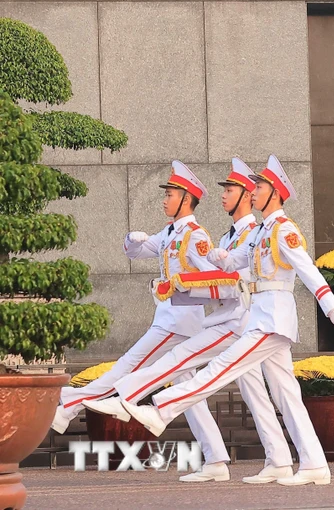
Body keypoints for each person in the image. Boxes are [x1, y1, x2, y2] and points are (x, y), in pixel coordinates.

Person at [122, 155, 334, 485]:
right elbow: (237, 262)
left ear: (276, 193)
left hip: (272, 319)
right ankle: (307, 462)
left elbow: (307, 269)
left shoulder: (284, 230)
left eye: (259, 187)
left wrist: (329, 305)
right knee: (286, 393)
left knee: (223, 367)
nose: (253, 191)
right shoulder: (262, 232)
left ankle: (163, 409)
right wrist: (222, 257)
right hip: (261, 314)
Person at [83, 158, 294, 482]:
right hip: (237, 318)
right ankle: (271, 460)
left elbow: (235, 281)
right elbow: (217, 284)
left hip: (246, 320)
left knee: (184, 362)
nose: (225, 195)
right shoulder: (227, 238)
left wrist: (181, 286)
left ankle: (126, 396)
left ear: (250, 192)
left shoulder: (254, 233)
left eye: (232, 189)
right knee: (258, 394)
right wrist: (179, 290)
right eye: (225, 189)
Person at [50, 162, 220, 455]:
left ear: (186, 198)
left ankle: (69, 406)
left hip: (178, 323)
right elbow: (137, 252)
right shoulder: (170, 232)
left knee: (128, 366)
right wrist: (132, 239)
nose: (165, 200)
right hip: (170, 319)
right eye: (166, 194)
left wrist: (179, 287)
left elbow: (215, 278)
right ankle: (216, 456)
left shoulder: (196, 236)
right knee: (190, 397)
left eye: (170, 194)